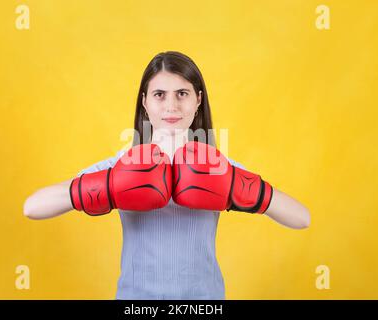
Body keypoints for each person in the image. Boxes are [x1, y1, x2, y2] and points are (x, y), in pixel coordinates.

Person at [23, 51, 311, 299]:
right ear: (145, 102)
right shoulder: (120, 166)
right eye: (160, 95)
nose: (171, 106)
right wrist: (108, 186)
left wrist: (244, 188)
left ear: (198, 100)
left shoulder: (218, 167)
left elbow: (301, 218)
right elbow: (32, 207)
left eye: (182, 94)